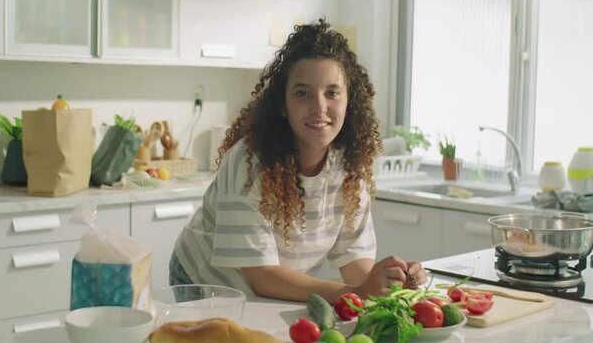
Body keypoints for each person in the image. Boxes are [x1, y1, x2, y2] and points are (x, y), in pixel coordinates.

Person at [169, 19, 427, 303]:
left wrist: (391, 280)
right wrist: (353, 293)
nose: (319, 108)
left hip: (272, 288)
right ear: (283, 104)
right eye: (303, 93)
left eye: (332, 93)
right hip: (204, 282)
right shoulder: (249, 162)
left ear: (348, 100)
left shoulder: (350, 165)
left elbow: (354, 262)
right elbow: (262, 276)